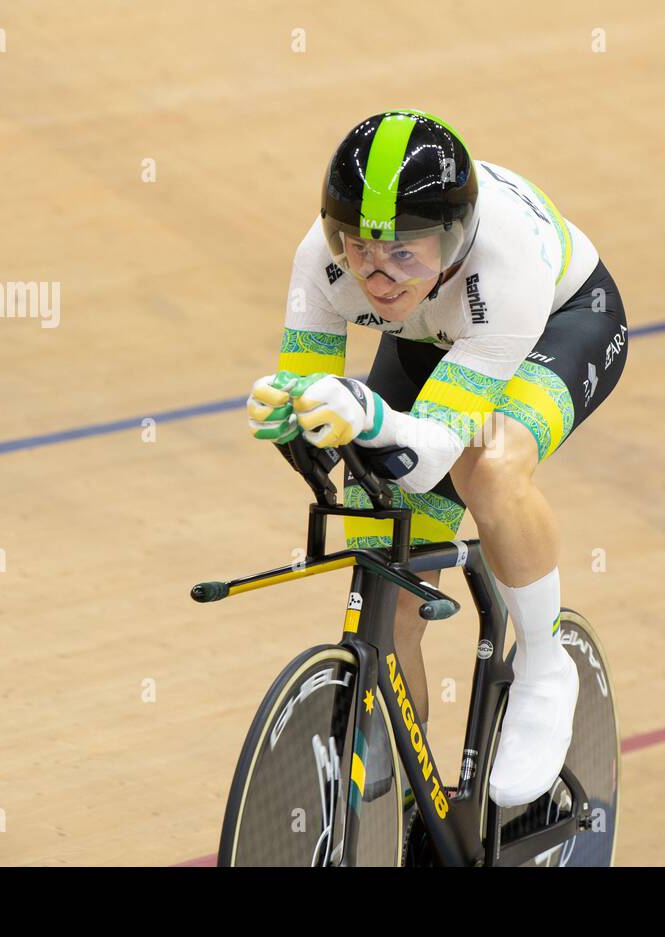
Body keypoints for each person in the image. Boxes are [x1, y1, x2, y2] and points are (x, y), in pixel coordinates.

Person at [246, 109, 628, 809]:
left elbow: (431, 457)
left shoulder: (504, 265)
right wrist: (288, 419)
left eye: (403, 253)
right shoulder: (323, 260)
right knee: (385, 583)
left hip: (558, 321)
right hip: (434, 336)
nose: (377, 273)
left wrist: (366, 413)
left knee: (486, 466)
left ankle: (546, 669)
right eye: (357, 245)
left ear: (454, 242)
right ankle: (399, 806)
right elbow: (314, 404)